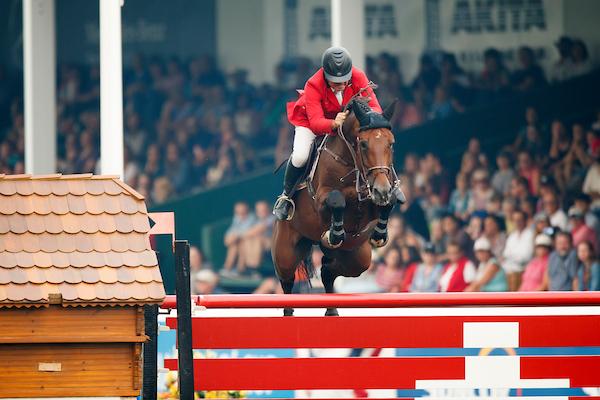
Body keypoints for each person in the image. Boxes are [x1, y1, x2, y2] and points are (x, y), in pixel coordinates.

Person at [273, 47, 382, 220]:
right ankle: (286, 196)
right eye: (335, 82)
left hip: (343, 122)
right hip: (310, 121)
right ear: (325, 75)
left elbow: (376, 108)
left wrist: (365, 115)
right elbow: (316, 123)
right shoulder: (314, 84)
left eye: (344, 81)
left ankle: (388, 184)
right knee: (301, 155)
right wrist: (333, 123)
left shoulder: (358, 76)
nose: (340, 86)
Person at [502, 210, 534, 291]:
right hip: (509, 271)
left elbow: (525, 257)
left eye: (519, 220)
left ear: (525, 220)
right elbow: (505, 255)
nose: (517, 223)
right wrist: (513, 257)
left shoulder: (530, 234)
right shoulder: (512, 236)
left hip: (523, 271)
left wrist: (511, 257)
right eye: (515, 220)